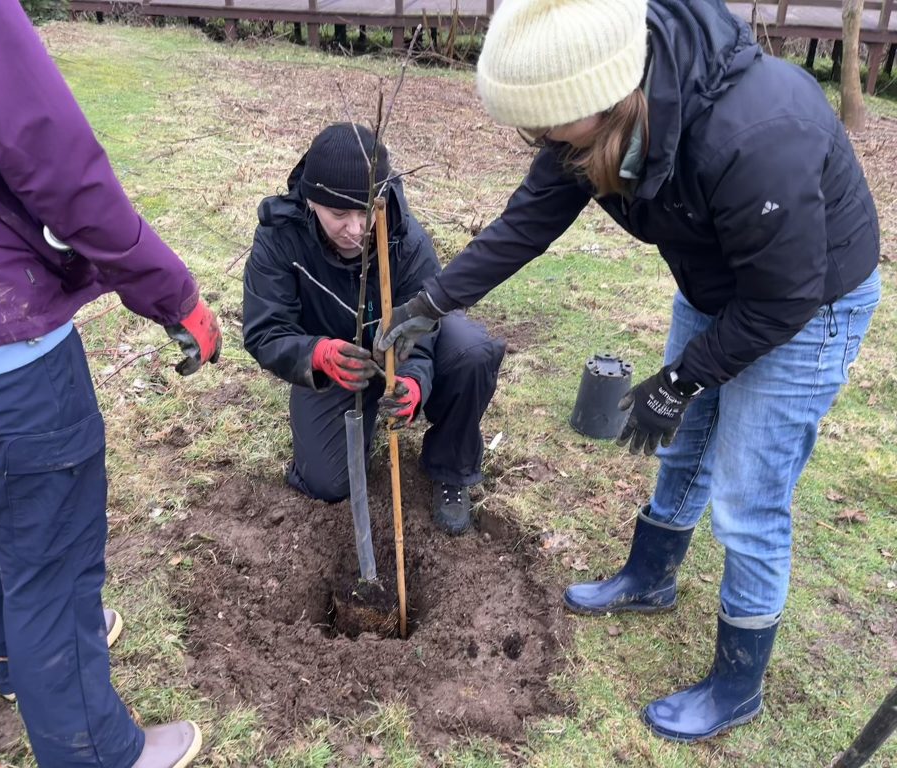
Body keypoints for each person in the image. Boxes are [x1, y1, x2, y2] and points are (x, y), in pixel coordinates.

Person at [377, 0, 881, 743]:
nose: (543, 141)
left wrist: (683, 379)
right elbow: (529, 221)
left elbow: (783, 299)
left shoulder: (756, 134)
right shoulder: (594, 119)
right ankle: (650, 578)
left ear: (605, 98)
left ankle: (737, 684)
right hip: (718, 286)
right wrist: (433, 300)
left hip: (808, 306)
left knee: (749, 493)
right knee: (680, 445)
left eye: (552, 126)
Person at [0, 2, 220, 766]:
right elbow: (42, 140)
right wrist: (171, 292)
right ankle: (96, 751)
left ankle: (12, 662)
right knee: (53, 562)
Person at [243, 123, 506, 534]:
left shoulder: (405, 238)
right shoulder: (280, 238)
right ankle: (357, 411)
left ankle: (451, 469)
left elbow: (424, 328)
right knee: (327, 483)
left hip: (399, 351)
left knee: (471, 349)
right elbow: (264, 331)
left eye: (366, 210)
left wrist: (415, 381)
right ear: (312, 201)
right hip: (335, 366)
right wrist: (317, 354)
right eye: (339, 214)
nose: (355, 229)